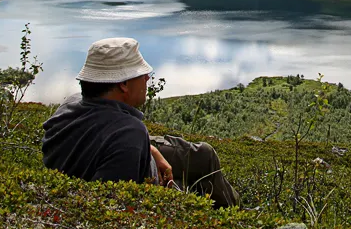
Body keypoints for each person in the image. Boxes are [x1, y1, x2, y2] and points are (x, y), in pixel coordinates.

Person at [41, 37, 239, 208]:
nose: (147, 78)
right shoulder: (129, 134)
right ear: (123, 84)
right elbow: (114, 205)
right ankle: (232, 217)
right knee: (205, 157)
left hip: (130, 151)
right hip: (144, 178)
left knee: (202, 154)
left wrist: (151, 150)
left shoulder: (70, 105)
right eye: (141, 74)